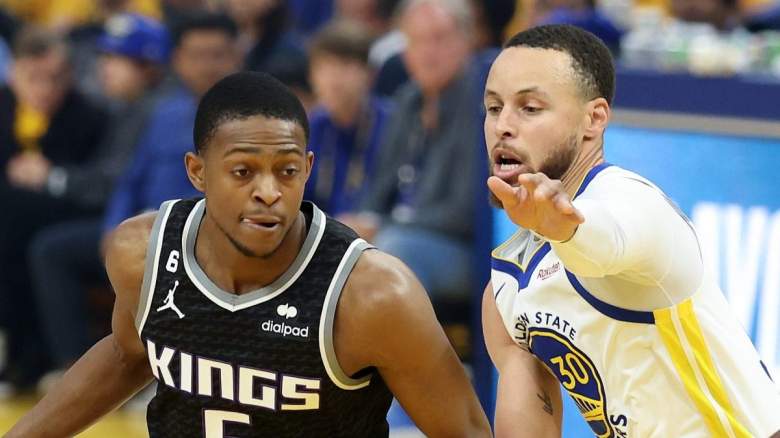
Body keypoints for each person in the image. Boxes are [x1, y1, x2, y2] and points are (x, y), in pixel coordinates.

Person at [7, 71, 491, 438]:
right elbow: (128, 353)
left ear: (308, 168)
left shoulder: (371, 293)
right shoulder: (143, 252)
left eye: (286, 171)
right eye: (242, 172)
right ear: (197, 172)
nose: (268, 192)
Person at [481, 24, 780, 437]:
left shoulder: (632, 200)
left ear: (594, 119)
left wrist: (564, 230)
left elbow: (606, 241)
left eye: (530, 108)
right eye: (494, 108)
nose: (503, 126)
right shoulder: (506, 289)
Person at [27, 12, 170, 390]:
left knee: (50, 250)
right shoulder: (129, 107)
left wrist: (54, 178)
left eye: (114, 60)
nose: (104, 68)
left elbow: (113, 183)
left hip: (154, 229)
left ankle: (77, 372)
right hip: (127, 222)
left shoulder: (155, 110)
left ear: (147, 66)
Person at [342, 0, 482, 302]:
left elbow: (465, 213)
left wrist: (383, 226)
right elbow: (377, 188)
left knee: (393, 251)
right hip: (396, 234)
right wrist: (360, 223)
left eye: (439, 39)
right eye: (417, 41)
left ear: (467, 42)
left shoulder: (482, 106)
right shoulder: (406, 102)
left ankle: (387, 351)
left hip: (462, 249)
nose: (428, 52)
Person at [0, 26, 108, 390]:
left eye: (56, 78)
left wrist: (48, 176)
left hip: (64, 214)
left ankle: (27, 356)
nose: (46, 89)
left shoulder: (87, 116)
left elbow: (91, 188)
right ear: (14, 73)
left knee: (16, 222)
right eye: (35, 78)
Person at [305, 19, 392, 216]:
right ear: (311, 76)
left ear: (369, 75)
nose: (334, 78)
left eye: (344, 65)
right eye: (324, 67)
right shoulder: (311, 126)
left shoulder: (391, 122)